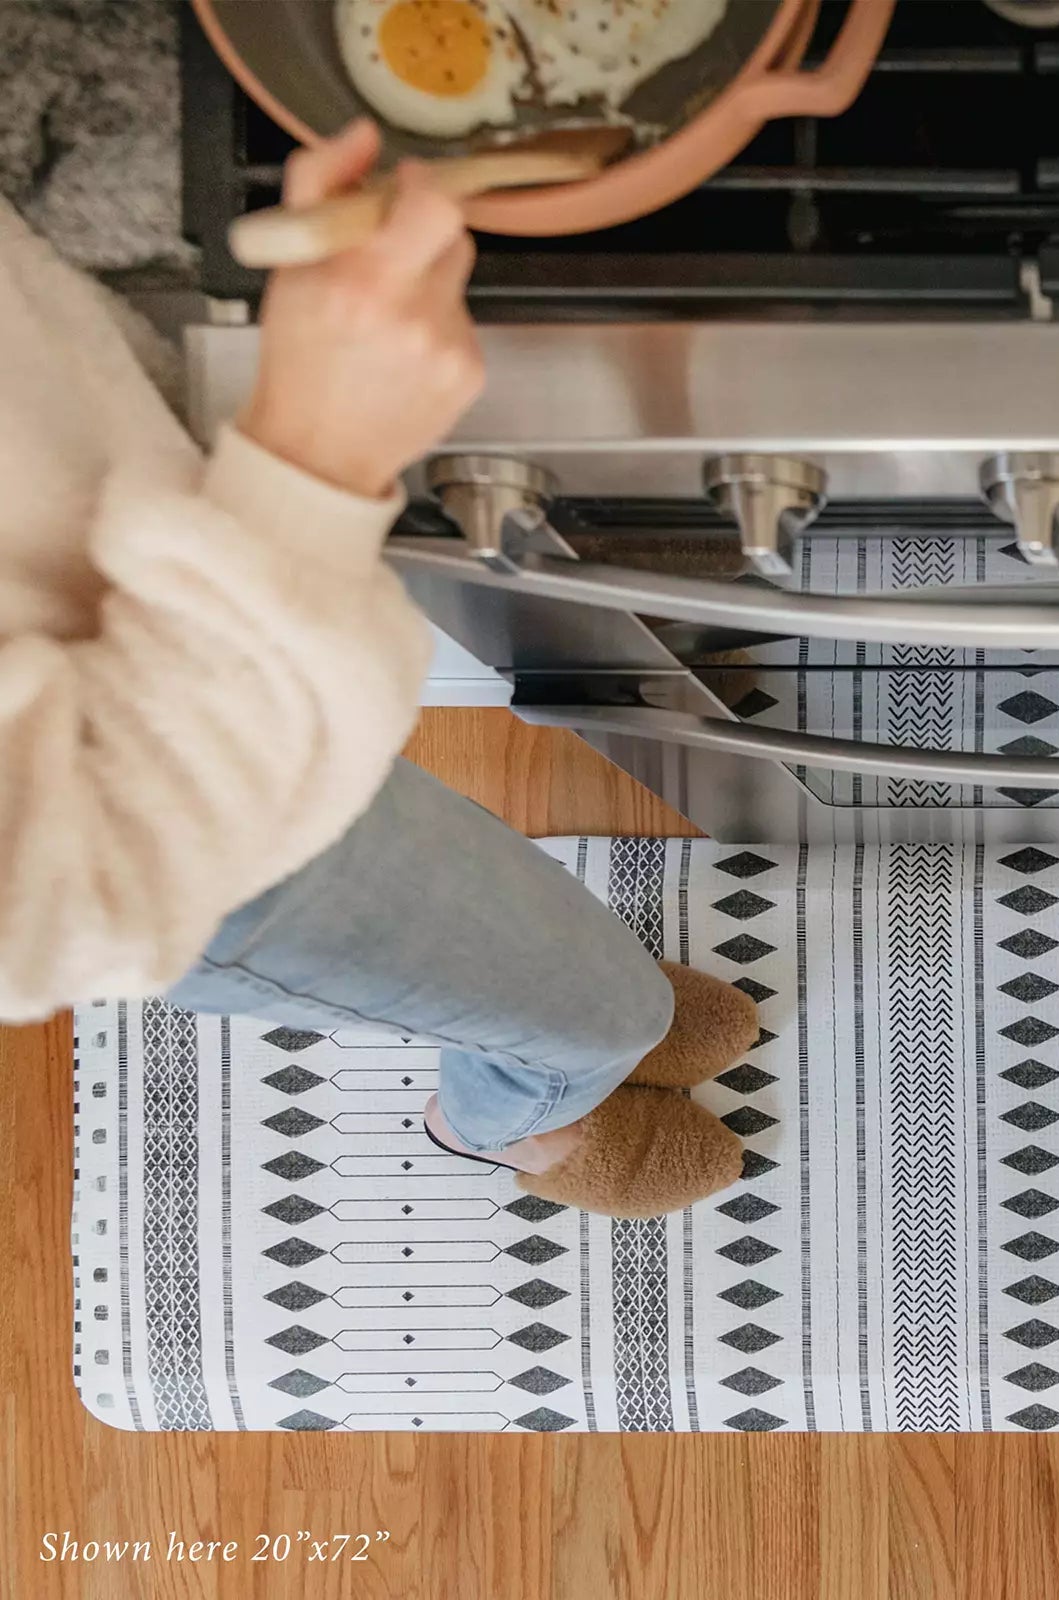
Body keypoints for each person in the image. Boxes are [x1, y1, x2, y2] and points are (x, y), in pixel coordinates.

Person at [0, 119, 753, 1218]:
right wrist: (311, 461)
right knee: (581, 1004)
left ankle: (577, 1025)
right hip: (173, 813)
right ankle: (512, 1117)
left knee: (522, 942)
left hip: (180, 630)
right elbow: (53, 899)